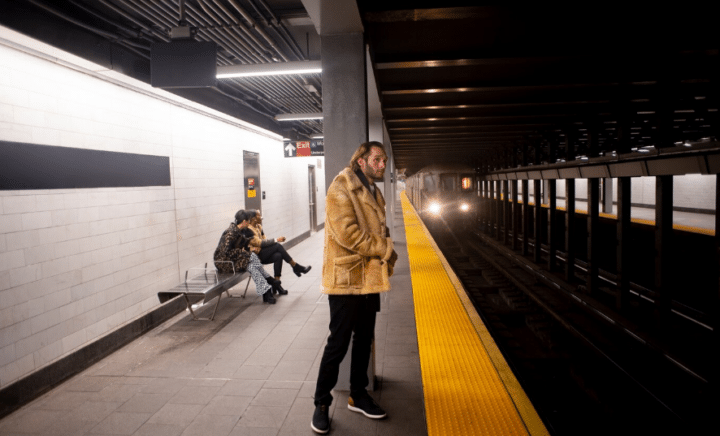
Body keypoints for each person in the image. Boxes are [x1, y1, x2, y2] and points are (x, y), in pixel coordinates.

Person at [311, 141, 398, 434]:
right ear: (360, 160)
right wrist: (384, 248)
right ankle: (321, 403)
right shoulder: (341, 187)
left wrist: (385, 250)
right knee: (338, 343)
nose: (381, 164)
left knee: (364, 338)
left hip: (369, 277)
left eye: (384, 160)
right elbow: (348, 234)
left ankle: (358, 394)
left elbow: (377, 229)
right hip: (346, 279)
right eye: (376, 159)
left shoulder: (372, 190)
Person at [213, 209, 280, 304]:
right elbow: (225, 253)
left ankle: (266, 291)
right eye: (248, 221)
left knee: (251, 266)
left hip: (233, 260)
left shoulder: (239, 231)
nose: (249, 223)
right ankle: (269, 280)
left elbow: (243, 244)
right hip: (224, 263)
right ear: (244, 222)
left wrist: (248, 246)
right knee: (251, 257)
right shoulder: (230, 233)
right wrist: (243, 252)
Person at [246, 209, 312, 295]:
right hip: (256, 256)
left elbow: (265, 240)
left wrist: (272, 242)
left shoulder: (258, 226)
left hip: (263, 252)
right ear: (254, 218)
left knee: (278, 255)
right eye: (259, 215)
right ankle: (295, 266)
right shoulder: (249, 230)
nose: (261, 217)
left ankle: (277, 285)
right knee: (277, 245)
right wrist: (276, 240)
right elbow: (259, 243)